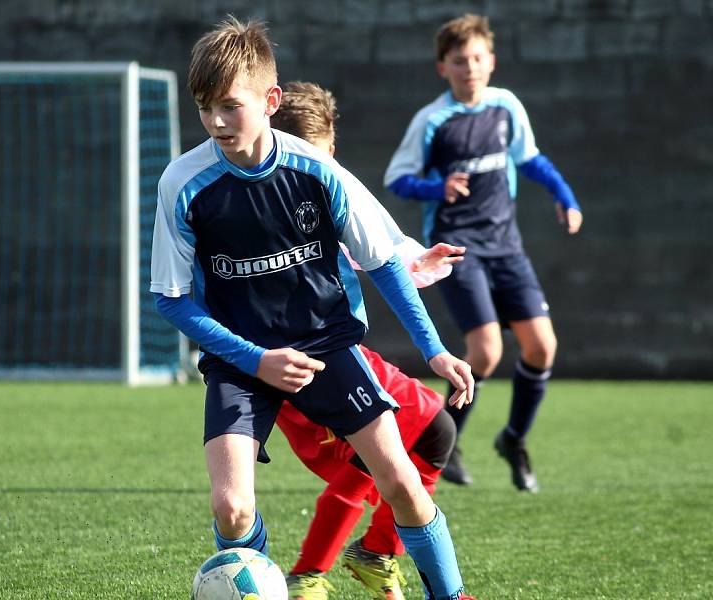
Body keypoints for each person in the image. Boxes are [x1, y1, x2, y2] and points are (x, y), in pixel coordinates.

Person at [150, 17, 476, 600]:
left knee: (401, 479)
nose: (217, 122)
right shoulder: (184, 182)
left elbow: (381, 261)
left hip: (326, 344)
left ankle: (449, 595)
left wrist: (435, 349)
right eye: (204, 108)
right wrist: (256, 360)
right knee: (230, 506)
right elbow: (172, 299)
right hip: (240, 360)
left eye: (230, 105)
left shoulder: (317, 170)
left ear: (271, 100)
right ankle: (262, 584)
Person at [271, 81, 465, 600]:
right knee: (422, 438)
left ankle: (334, 565)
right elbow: (375, 251)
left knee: (392, 452)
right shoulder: (304, 186)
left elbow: (374, 249)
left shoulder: (305, 185)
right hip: (313, 359)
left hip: (311, 357)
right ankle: (338, 563)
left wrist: (416, 261)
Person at [384, 14, 583, 493]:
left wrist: (566, 197)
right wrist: (437, 187)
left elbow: (530, 158)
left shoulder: (506, 107)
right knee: (487, 352)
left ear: (491, 62)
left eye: (477, 58)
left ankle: (513, 440)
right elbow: (397, 178)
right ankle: (441, 441)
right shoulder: (433, 120)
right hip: (459, 250)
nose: (469, 67)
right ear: (442, 68)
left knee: (542, 347)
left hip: (507, 248)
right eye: (459, 61)